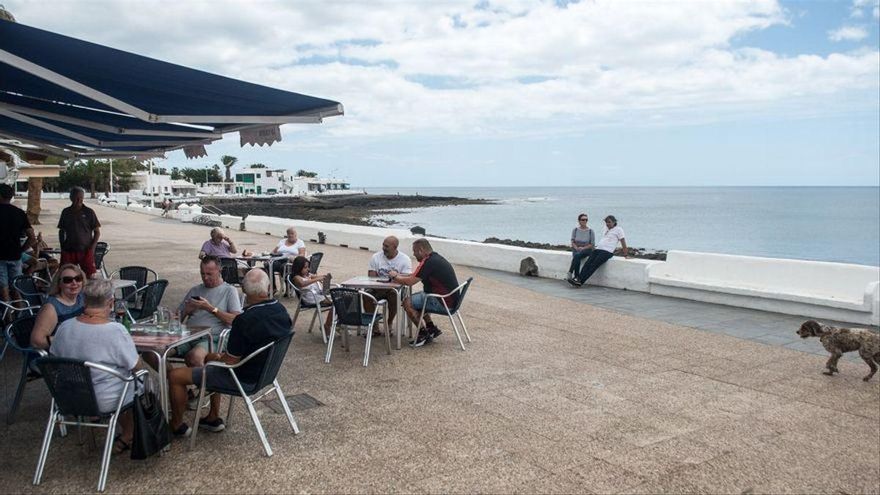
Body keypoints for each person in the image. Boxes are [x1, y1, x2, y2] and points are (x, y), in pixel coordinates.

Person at [167, 269, 292, 436]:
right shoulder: (280, 310)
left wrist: (215, 358)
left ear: (244, 290)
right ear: (268, 286)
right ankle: (213, 416)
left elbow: (228, 363)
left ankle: (176, 426)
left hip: (241, 378)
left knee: (175, 376)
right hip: (266, 373)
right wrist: (213, 357)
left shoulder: (245, 320)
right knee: (209, 358)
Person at [50, 278, 140, 454]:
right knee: (142, 379)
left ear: (84, 300)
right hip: (103, 399)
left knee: (121, 379)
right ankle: (131, 433)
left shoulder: (64, 327)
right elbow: (135, 365)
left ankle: (123, 433)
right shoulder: (115, 331)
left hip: (69, 398)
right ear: (111, 302)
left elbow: (55, 358)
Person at [173, 256, 242, 367]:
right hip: (188, 335)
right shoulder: (195, 290)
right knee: (153, 353)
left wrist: (210, 308)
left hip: (211, 337)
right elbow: (175, 320)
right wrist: (186, 311)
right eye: (202, 274)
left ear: (220, 271)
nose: (205, 278)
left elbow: (236, 321)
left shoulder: (229, 291)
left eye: (209, 274)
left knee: (194, 357)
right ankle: (176, 380)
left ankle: (205, 382)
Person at [388, 238, 459, 347]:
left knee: (408, 302)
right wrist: (400, 276)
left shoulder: (428, 262)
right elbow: (415, 276)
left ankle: (423, 334)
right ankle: (431, 328)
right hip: (451, 301)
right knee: (420, 299)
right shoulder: (435, 258)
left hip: (443, 303)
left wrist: (395, 276)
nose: (414, 254)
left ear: (421, 250)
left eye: (414, 251)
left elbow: (410, 282)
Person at [31, 264, 87, 349]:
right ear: (59, 284)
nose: (74, 283)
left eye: (78, 279)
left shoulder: (81, 297)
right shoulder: (50, 307)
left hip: (77, 347)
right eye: (68, 280)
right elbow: (36, 342)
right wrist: (70, 338)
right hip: (58, 355)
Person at [568, 215, 630, 287]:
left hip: (607, 251)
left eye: (609, 222)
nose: (607, 224)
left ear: (614, 222)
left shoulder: (619, 230)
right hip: (598, 249)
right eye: (606, 222)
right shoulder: (606, 228)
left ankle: (580, 282)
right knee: (587, 264)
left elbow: (623, 242)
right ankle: (577, 279)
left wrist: (626, 255)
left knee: (593, 265)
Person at [365, 236, 412, 330]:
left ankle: (389, 322)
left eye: (386, 246)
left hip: (396, 289)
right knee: (366, 295)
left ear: (395, 247)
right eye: (383, 245)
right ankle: (374, 325)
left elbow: (407, 278)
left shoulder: (405, 259)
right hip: (378, 288)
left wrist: (395, 277)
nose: (383, 248)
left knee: (394, 295)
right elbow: (371, 276)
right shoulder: (376, 257)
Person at [0, 183, 36, 302]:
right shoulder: (19, 213)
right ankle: (21, 317)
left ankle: (8, 319)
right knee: (16, 289)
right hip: (15, 257)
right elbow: (32, 237)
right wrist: (20, 250)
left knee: (3, 291)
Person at [57, 187, 101, 279]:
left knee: (90, 276)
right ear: (71, 197)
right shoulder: (66, 212)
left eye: (81, 197)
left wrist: (92, 248)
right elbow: (61, 230)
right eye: (76, 197)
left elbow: (97, 232)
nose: (79, 200)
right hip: (69, 249)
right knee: (66, 275)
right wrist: (62, 247)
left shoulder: (89, 212)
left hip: (85, 250)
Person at [289, 256, 332, 336]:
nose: (308, 269)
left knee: (340, 302)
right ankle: (328, 325)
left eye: (308, 267)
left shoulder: (307, 275)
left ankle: (333, 324)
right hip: (310, 299)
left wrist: (325, 277)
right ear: (299, 268)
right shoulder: (296, 277)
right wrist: (316, 280)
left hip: (317, 296)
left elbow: (316, 276)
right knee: (337, 304)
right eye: (305, 267)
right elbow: (302, 283)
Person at [567, 213, 595, 278]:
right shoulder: (575, 230)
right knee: (577, 257)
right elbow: (572, 241)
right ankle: (576, 277)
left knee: (577, 256)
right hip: (576, 249)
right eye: (583, 220)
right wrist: (576, 247)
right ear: (579, 221)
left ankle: (570, 272)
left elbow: (592, 244)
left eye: (586, 220)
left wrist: (583, 248)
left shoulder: (591, 231)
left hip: (587, 250)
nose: (585, 221)